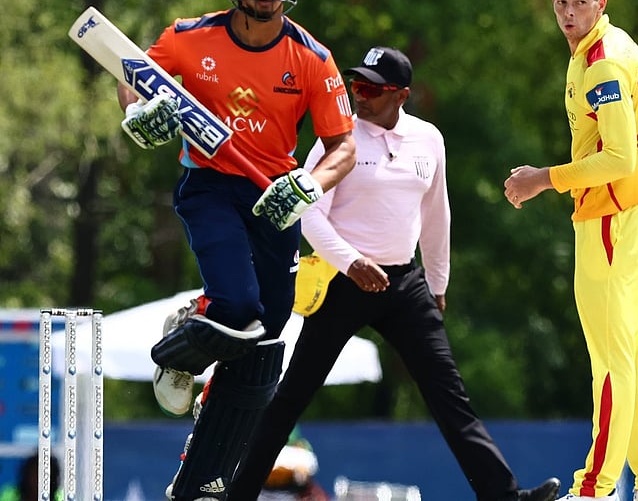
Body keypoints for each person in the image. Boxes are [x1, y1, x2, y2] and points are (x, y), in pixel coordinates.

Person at [225, 46, 561, 501]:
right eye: (355, 86)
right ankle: (237, 495)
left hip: (405, 284)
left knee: (450, 398)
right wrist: (352, 262)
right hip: (342, 282)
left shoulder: (429, 139)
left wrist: (438, 283)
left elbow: (436, 213)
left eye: (371, 89)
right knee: (290, 399)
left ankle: (504, 496)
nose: (358, 96)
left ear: (401, 95)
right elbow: (307, 215)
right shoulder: (336, 139)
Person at [116, 0, 356, 500]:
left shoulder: (312, 59)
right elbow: (133, 74)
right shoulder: (189, 38)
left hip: (274, 199)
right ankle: (192, 332)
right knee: (239, 305)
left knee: (265, 337)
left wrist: (305, 186)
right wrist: (138, 113)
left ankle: (204, 476)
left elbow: (344, 147)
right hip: (211, 185)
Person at [504, 0, 638, 501]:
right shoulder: (603, 47)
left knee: (610, 359)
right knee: (630, 351)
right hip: (629, 210)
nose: (569, 14)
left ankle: (595, 489)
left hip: (610, 216)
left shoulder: (601, 62)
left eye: (580, 3)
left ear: (601, 3)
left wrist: (542, 179)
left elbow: (619, 157)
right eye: (560, 3)